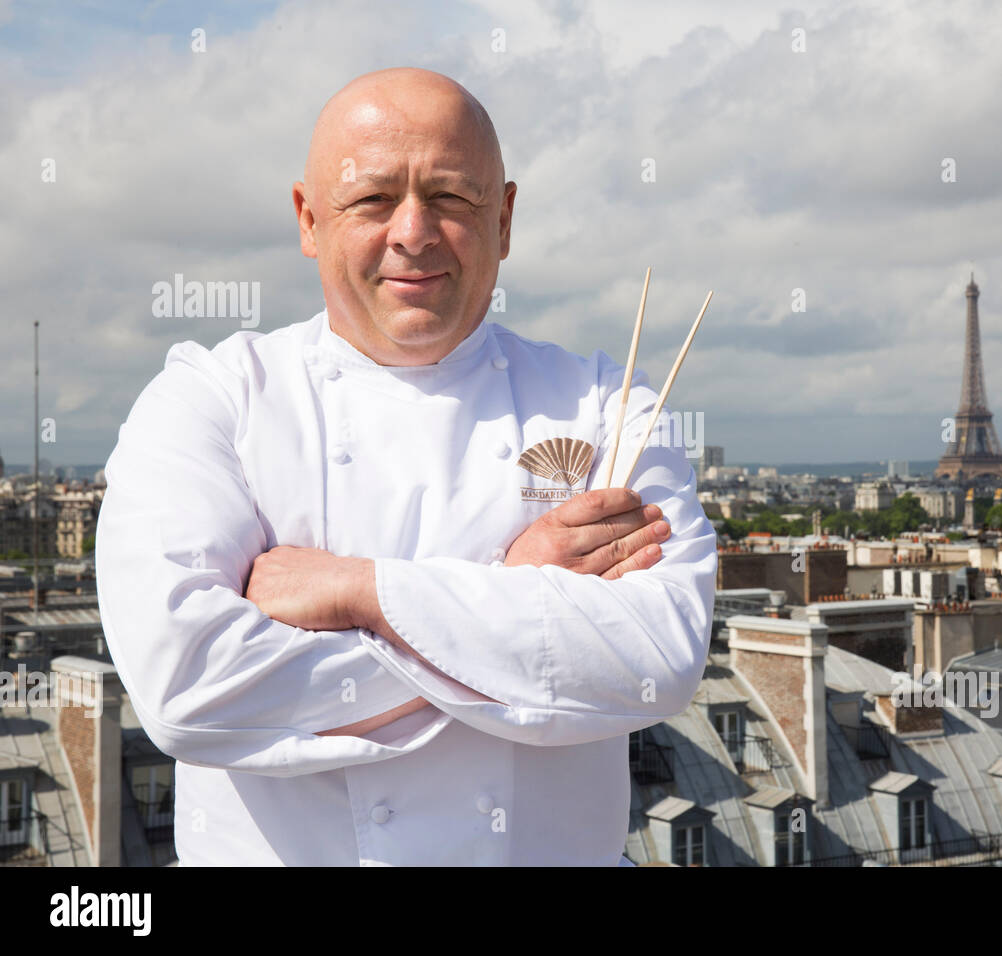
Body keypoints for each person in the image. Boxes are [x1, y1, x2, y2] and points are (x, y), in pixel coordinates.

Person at [95, 67, 717, 865]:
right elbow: (187, 690)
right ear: (309, 219)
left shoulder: (605, 403)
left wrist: (358, 591)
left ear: (505, 218)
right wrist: (516, 593)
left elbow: (655, 661)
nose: (414, 233)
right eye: (373, 198)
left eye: (451, 196)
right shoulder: (211, 398)